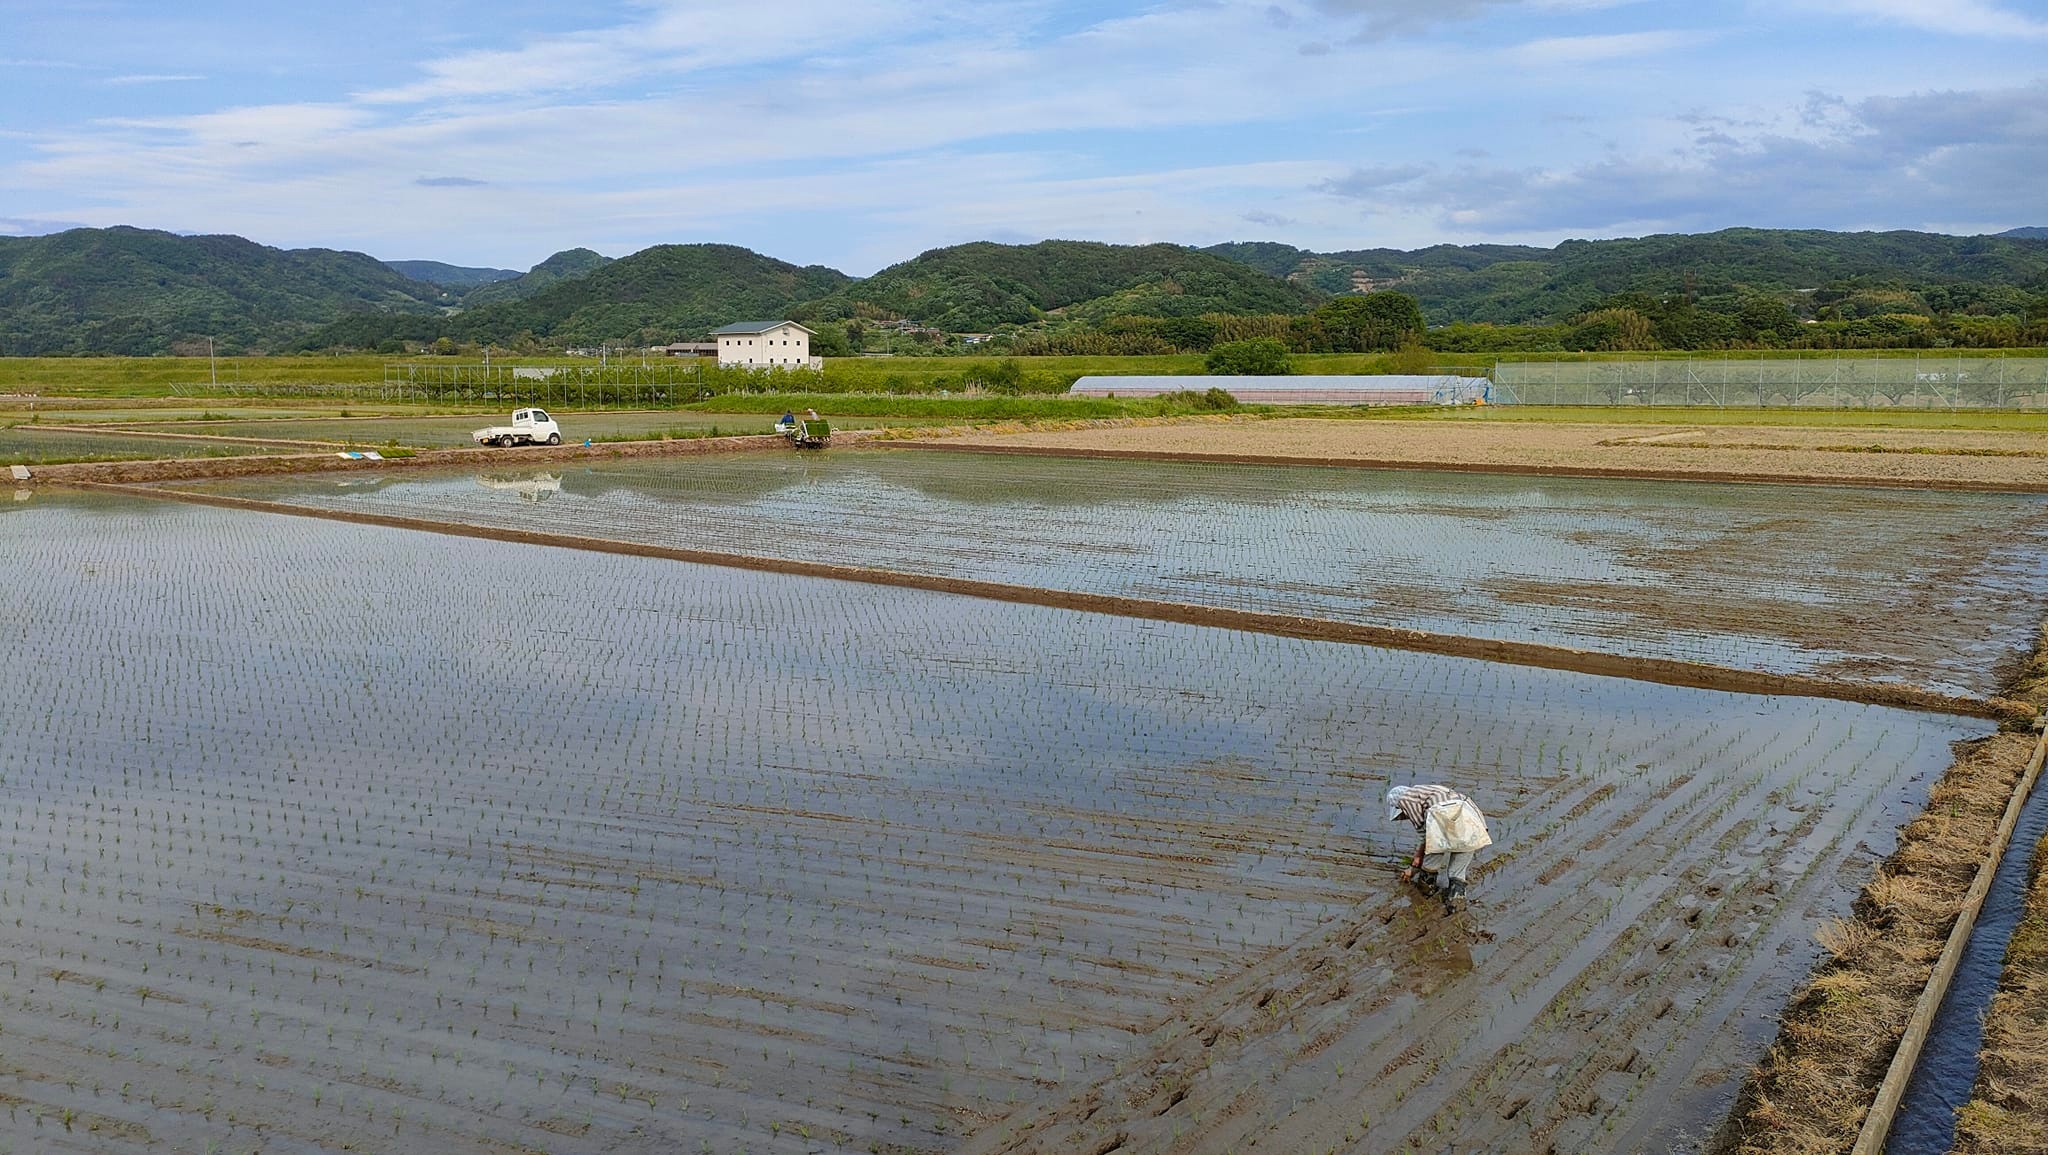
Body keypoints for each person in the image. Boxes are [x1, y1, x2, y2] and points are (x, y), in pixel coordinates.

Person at [1386, 783, 1488, 911]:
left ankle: (1424, 893)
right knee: (1457, 871)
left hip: (1445, 816)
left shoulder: (1406, 799)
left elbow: (1426, 836)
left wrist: (1416, 860)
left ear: (1398, 805)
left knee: (1431, 860)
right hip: (1471, 820)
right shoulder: (1428, 792)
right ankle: (1456, 904)